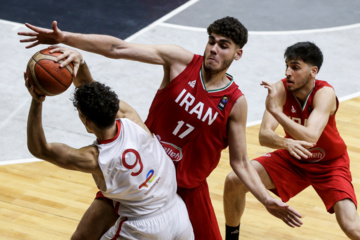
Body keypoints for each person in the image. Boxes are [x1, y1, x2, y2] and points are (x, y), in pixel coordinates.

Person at [19, 17, 302, 239]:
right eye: (211, 42)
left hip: (187, 188)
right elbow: (117, 48)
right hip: (141, 175)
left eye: (223, 45)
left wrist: (265, 199)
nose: (214, 49)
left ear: (237, 54)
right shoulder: (179, 61)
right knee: (83, 235)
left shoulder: (235, 102)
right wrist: (65, 38)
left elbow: (239, 161)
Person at [25, 47, 194, 239]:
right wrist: (80, 61)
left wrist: (37, 100)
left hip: (145, 228)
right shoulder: (130, 117)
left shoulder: (95, 159)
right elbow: (95, 93)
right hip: (178, 213)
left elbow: (40, 149)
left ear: (87, 123)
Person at [223, 41, 360, 239]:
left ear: (313, 71)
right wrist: (285, 143)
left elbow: (311, 137)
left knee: (351, 227)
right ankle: (231, 237)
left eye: (295, 67)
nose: (288, 72)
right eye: (286, 65)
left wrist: (277, 112)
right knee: (234, 180)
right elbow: (264, 136)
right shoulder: (279, 89)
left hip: (329, 164)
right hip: (293, 159)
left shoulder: (325, 93)